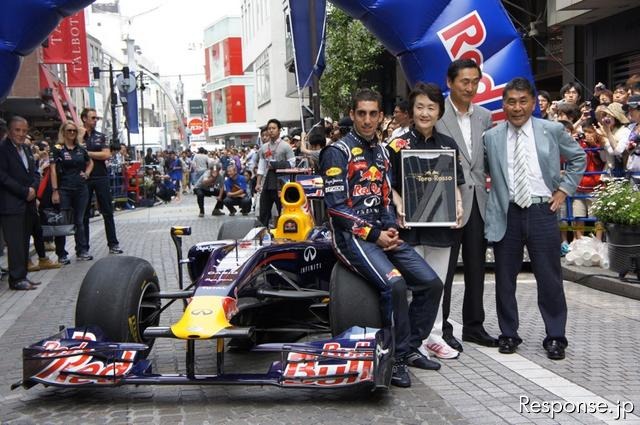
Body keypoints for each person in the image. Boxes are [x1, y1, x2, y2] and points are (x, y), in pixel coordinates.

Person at [320, 88, 443, 388]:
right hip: (352, 238)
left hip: (382, 235)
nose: (367, 120)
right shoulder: (338, 152)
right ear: (352, 115)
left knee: (431, 283)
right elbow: (336, 210)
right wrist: (375, 235)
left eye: (373, 113)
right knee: (395, 284)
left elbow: (386, 197)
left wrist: (389, 229)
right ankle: (396, 358)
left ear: (381, 116)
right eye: (361, 113)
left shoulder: (384, 152)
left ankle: (410, 347)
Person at [483, 77, 586, 360]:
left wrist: (564, 191)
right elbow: (479, 170)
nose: (517, 108)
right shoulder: (492, 136)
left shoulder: (551, 130)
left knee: (549, 277)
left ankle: (555, 336)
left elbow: (579, 159)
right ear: (503, 105)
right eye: (511, 102)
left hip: (543, 211)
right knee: (504, 277)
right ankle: (508, 333)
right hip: (508, 212)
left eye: (523, 101)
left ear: (532, 104)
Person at [386, 82, 464, 361]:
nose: (425, 113)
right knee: (413, 287)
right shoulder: (397, 145)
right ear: (411, 110)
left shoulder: (448, 145)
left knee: (438, 284)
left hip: (441, 228)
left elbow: (454, 183)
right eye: (419, 107)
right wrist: (397, 202)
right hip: (410, 228)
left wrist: (456, 204)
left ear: (439, 112)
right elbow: (387, 184)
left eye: (431, 107)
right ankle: (411, 341)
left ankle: (434, 337)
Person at [434, 58, 497, 352]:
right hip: (447, 203)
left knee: (476, 268)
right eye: (464, 82)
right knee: (443, 270)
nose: (470, 88)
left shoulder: (484, 116)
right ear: (450, 82)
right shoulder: (436, 114)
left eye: (475, 82)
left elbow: (482, 162)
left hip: (478, 204)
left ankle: (474, 326)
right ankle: (442, 327)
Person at [0, 116, 41, 290]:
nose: (21, 134)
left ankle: (22, 275)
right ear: (9, 131)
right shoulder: (2, 150)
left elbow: (35, 172)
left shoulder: (26, 148)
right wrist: (25, 192)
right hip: (12, 204)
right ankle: (16, 279)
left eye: (24, 131)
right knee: (15, 243)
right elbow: (3, 177)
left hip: (28, 203)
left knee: (24, 242)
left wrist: (33, 189)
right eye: (17, 130)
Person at [81, 108, 123, 255]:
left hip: (100, 176)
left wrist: (87, 153)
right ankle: (83, 248)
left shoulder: (100, 136)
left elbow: (106, 154)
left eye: (97, 118)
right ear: (84, 118)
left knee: (107, 211)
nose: (95, 120)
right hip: (84, 178)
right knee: (83, 213)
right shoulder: (78, 135)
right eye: (93, 118)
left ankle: (113, 244)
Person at [50, 121, 94, 262]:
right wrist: (55, 190)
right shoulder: (57, 148)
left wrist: (86, 173)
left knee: (79, 221)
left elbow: (90, 162)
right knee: (63, 222)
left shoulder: (80, 149)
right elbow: (52, 170)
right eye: (69, 130)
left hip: (81, 189)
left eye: (74, 131)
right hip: (64, 189)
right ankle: (61, 254)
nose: (72, 133)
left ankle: (81, 251)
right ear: (63, 132)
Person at [255, 118, 295, 227]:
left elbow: (292, 163)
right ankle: (263, 232)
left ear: (279, 130)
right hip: (268, 181)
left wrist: (276, 165)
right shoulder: (264, 147)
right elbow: (261, 166)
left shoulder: (285, 146)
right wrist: (258, 183)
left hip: (281, 181)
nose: (271, 131)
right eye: (269, 129)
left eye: (274, 128)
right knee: (264, 210)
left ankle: (283, 230)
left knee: (281, 208)